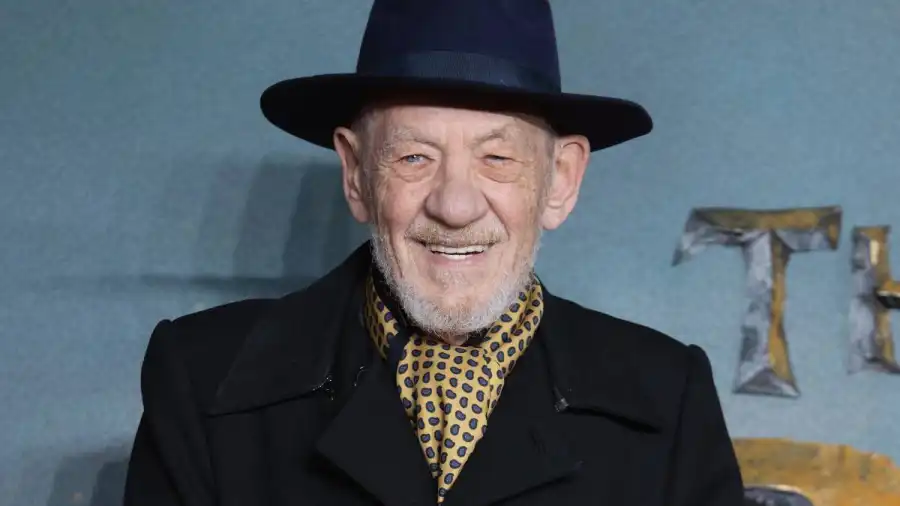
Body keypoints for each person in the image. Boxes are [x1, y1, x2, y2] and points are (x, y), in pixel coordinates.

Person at [123, 0, 745, 505]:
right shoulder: (203, 381)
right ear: (356, 173)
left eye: (496, 157)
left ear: (560, 180)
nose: (455, 205)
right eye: (414, 157)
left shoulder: (668, 398)